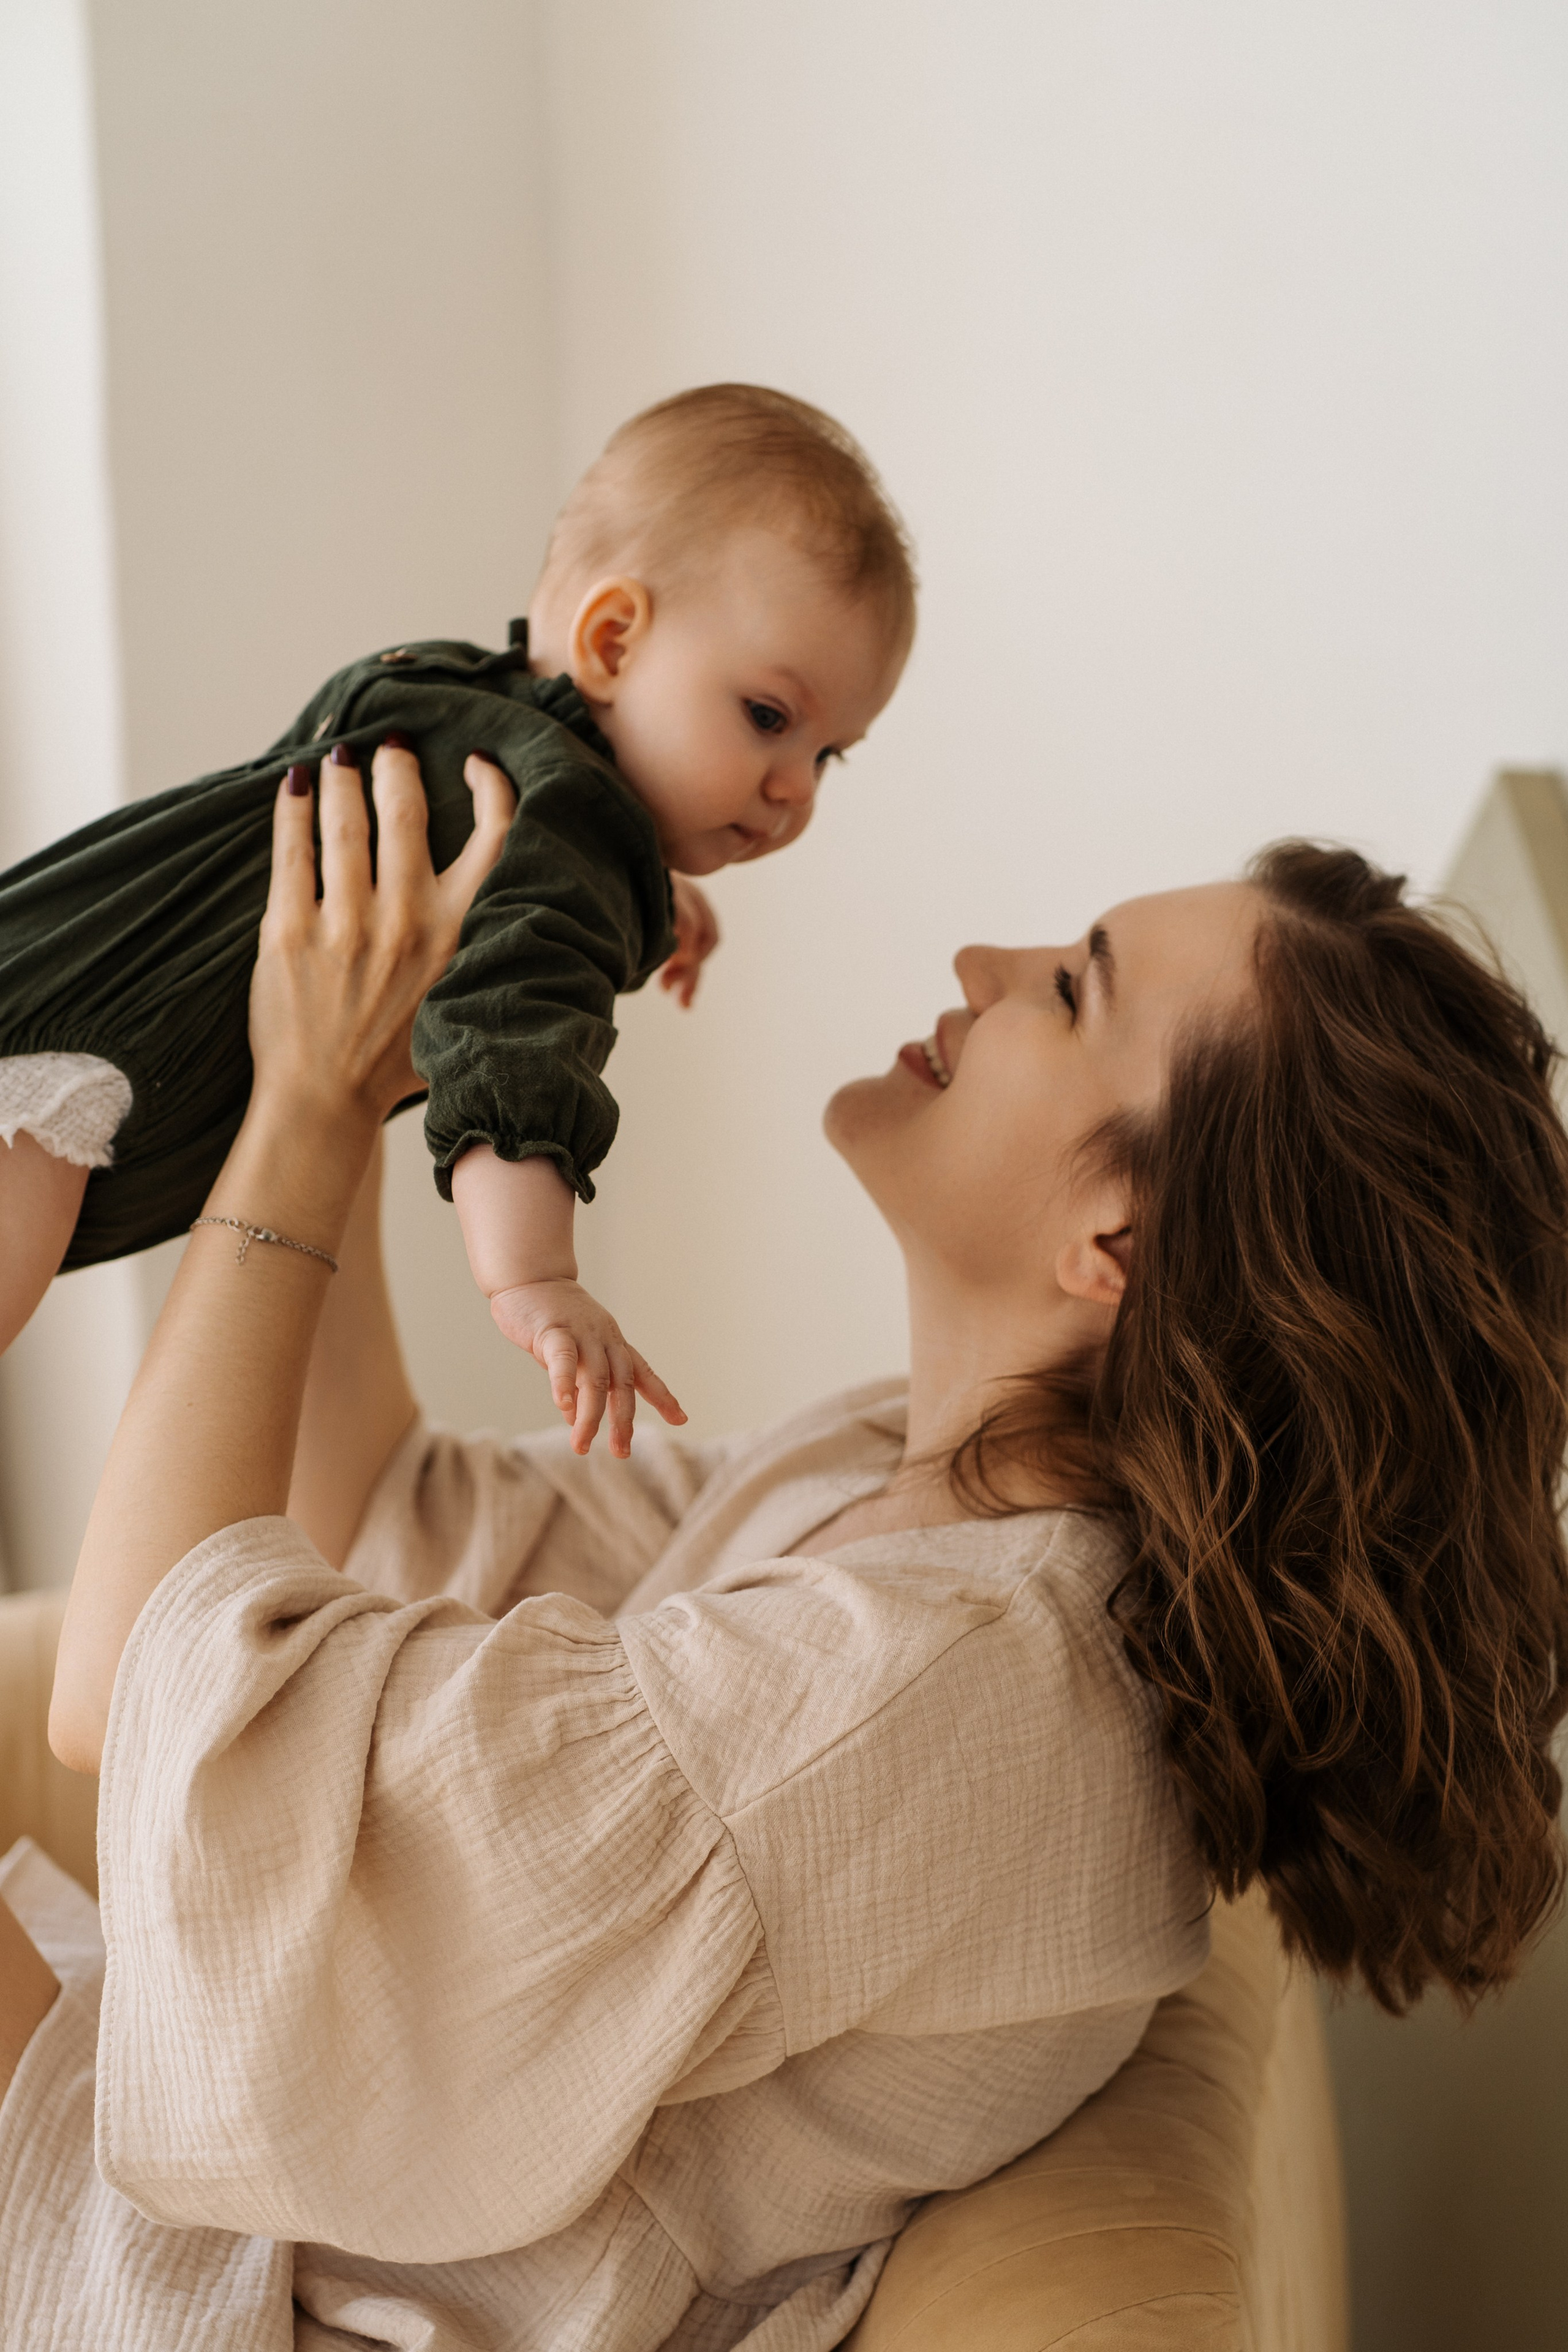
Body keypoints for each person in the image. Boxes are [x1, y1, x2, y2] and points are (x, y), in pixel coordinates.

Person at [2, 747, 1566, 2351]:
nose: (981, 967)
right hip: (237, 2212)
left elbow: (146, 1700)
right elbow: (391, 1502)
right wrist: (330, 1045)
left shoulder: (937, 1688)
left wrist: (311, 1116)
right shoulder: (916, 1477)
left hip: (250, 2294)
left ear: (1124, 1244)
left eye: (1073, 990)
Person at [0, 384, 913, 1454]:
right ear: (614, 640)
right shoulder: (572, 841)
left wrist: (652, 896)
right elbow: (512, 1036)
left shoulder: (444, 689)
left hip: (59, 946)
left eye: (827, 754)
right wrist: (535, 1278)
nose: (794, 789)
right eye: (768, 718)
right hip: (85, 1061)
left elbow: (454, 856)